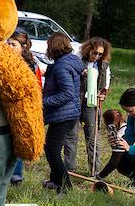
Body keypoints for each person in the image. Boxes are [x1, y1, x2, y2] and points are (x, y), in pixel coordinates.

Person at [40, 31, 81, 192]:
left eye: (48, 45)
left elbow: (67, 93)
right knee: (51, 148)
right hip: (67, 114)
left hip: (64, 115)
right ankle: (55, 181)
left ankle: (65, 187)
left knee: (52, 151)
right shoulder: (68, 62)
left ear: (54, 47)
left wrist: (43, 102)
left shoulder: (62, 66)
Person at [71, 38, 112, 174]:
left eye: (100, 54)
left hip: (91, 103)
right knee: (72, 135)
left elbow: (105, 85)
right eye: (95, 53)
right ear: (88, 49)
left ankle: (95, 171)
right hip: (74, 101)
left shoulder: (103, 66)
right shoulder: (76, 59)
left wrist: (102, 94)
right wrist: (80, 74)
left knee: (92, 137)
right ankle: (69, 169)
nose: (97, 56)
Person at [6, 30, 42, 185]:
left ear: (23, 47)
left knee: (17, 141)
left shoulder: (28, 66)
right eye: (8, 43)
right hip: (6, 108)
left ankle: (16, 176)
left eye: (13, 44)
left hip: (22, 109)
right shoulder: (6, 60)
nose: (9, 47)